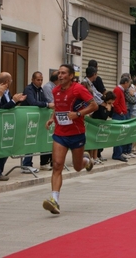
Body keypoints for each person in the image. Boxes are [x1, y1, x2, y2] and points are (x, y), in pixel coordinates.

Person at [42, 64, 98, 214]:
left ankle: (86, 161)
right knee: (57, 165)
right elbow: (59, 108)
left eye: (63, 73)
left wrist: (78, 114)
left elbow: (94, 106)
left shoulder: (78, 89)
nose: (60, 75)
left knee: (77, 167)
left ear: (71, 76)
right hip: (60, 133)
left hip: (77, 133)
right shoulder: (55, 91)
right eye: (58, 73)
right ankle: (54, 200)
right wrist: (52, 118)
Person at [0, 72, 27, 181]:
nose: (11, 82)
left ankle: (0, 171)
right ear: (6, 81)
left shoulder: (7, 91)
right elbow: (0, 108)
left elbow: (9, 106)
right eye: (10, 80)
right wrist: (13, 101)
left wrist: (16, 102)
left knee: (6, 147)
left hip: (7, 124)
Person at [21, 71, 55, 172]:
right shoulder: (28, 89)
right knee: (29, 140)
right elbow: (33, 102)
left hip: (37, 120)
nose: (40, 82)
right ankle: (26, 164)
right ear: (32, 80)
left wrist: (49, 104)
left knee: (36, 140)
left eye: (41, 80)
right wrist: (47, 105)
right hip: (27, 119)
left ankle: (42, 163)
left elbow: (44, 100)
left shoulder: (40, 90)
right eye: (38, 80)